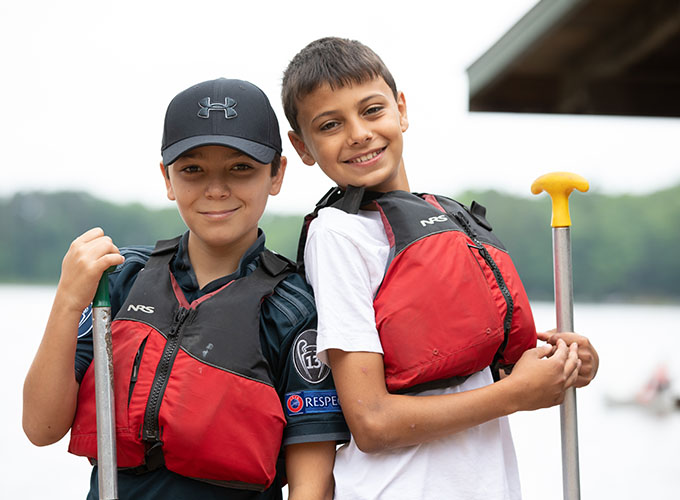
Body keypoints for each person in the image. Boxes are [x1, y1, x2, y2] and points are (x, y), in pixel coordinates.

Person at [281, 37, 599, 499]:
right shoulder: (338, 234)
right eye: (330, 124)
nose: (358, 134)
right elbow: (371, 422)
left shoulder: (443, 218)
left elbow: (483, 374)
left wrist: (565, 365)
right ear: (303, 146)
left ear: (401, 109)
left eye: (372, 110)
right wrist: (516, 396)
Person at [22, 77, 349, 500]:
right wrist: (68, 301)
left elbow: (313, 485)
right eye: (193, 169)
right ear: (167, 178)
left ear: (276, 173)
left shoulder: (295, 309)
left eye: (241, 168)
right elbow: (40, 427)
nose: (216, 189)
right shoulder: (121, 279)